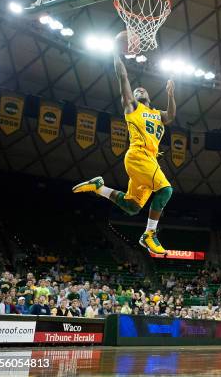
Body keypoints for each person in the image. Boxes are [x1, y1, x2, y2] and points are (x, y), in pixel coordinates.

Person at [72, 52, 176, 256]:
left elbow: (171, 116)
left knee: (132, 206)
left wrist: (171, 94)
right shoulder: (132, 108)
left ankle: (99, 188)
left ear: (149, 96)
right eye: (135, 91)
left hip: (148, 161)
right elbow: (122, 76)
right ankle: (149, 234)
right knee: (166, 191)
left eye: (141, 89)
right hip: (138, 156)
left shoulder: (157, 114)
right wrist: (115, 53)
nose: (138, 90)